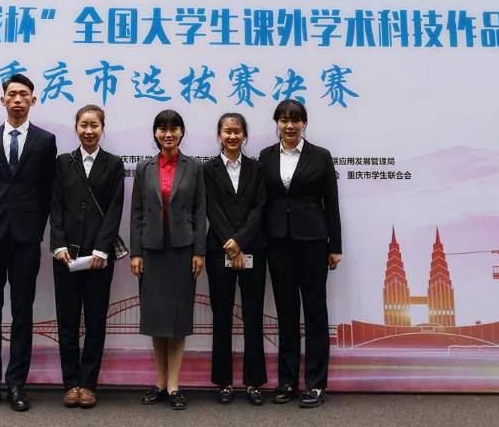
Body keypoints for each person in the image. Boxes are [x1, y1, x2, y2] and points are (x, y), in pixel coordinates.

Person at [0, 74, 57, 413]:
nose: (18, 99)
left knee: (22, 311)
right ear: (2, 99)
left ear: (33, 100)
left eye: (24, 94)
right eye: (12, 94)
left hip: (25, 238)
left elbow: (47, 191)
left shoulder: (46, 141)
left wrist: (33, 228)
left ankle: (16, 383)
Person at [259, 99, 342, 409]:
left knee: (315, 312)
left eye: (295, 120)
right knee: (286, 312)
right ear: (277, 124)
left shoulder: (321, 156)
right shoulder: (266, 156)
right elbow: (263, 202)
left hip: (313, 241)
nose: (290, 125)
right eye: (284, 120)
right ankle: (287, 381)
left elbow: (331, 203)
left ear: (304, 123)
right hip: (277, 242)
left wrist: (335, 246)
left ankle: (316, 384)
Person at [50, 104, 126, 409]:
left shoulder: (114, 163)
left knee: (95, 322)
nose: (89, 131)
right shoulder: (63, 162)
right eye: (84, 125)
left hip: (98, 259)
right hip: (66, 257)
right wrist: (58, 245)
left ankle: (89, 384)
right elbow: (55, 205)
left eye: (95, 125)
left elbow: (116, 208)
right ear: (76, 128)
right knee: (67, 322)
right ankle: (71, 384)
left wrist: (101, 249)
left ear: (102, 128)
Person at [129, 109, 206, 410]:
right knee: (156, 319)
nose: (168, 134)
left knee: (177, 321)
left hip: (183, 250)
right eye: (162, 128)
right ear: (155, 133)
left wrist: (199, 251)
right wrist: (136, 252)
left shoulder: (194, 167)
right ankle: (160, 383)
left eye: (174, 128)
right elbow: (136, 212)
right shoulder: (144, 167)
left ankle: (174, 385)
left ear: (182, 132)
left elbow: (200, 211)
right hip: (152, 251)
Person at [204, 112, 268, 406]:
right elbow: (211, 208)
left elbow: (260, 207)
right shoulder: (208, 169)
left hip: (253, 247)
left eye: (237, 131)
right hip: (219, 250)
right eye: (227, 131)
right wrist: (230, 243)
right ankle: (224, 382)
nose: (232, 136)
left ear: (244, 135)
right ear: (219, 135)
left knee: (254, 316)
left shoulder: (257, 168)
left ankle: (254, 382)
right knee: (222, 316)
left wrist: (240, 241)